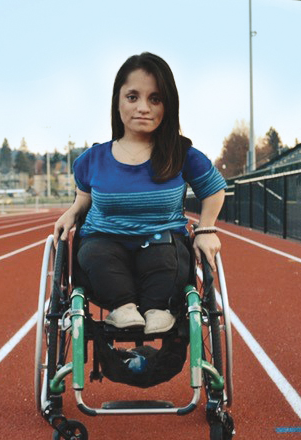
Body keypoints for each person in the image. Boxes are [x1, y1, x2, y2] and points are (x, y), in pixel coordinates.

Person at [54, 52, 226, 334]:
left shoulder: (182, 154)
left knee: (166, 257)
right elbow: (84, 196)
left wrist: (207, 230)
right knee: (95, 252)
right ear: (118, 102)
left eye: (155, 99)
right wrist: (73, 211)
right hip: (104, 244)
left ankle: (156, 309)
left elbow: (214, 191)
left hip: (162, 246)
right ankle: (123, 308)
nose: (143, 107)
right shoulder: (91, 159)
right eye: (132, 97)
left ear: (167, 105)